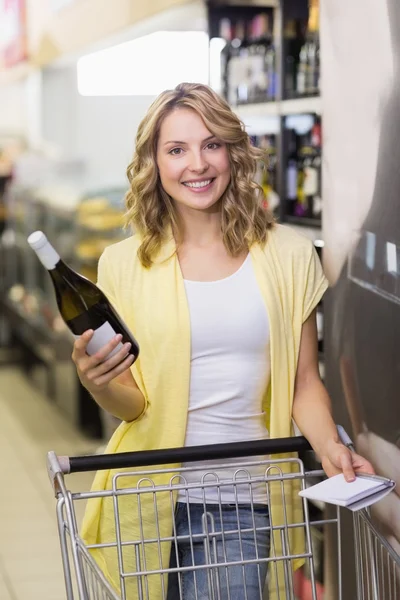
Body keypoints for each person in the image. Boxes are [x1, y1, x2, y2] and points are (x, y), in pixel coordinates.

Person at [72, 83, 374, 600]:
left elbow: (303, 382)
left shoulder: (289, 256)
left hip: (243, 499)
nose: (197, 164)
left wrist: (331, 449)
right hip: (145, 495)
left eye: (211, 144)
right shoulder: (123, 264)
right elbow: (133, 403)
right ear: (154, 163)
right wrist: (96, 383)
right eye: (176, 149)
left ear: (233, 152)